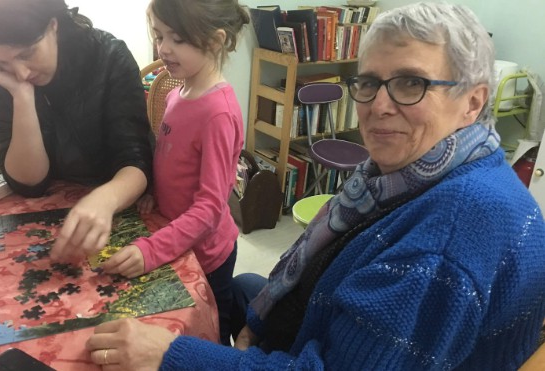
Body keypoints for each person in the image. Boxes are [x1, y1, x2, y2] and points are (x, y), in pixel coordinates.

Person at [85, 2, 545, 370]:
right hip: (324, 323)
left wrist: (170, 356)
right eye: (368, 82)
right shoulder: (411, 172)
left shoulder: (446, 242)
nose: (378, 105)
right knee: (250, 285)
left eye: (410, 83)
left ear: (473, 102)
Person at [99, 0, 249, 346]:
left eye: (176, 39)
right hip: (176, 239)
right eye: (159, 36)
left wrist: (151, 250)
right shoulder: (176, 91)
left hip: (209, 255)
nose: (163, 49)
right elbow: (170, 157)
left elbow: (210, 208)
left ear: (215, 41)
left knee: (210, 334)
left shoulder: (218, 113)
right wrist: (155, 191)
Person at [0, 0, 153, 258]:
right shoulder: (6, 77)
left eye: (27, 54)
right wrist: (21, 95)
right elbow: (29, 183)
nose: (21, 72)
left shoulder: (109, 56)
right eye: (1, 61)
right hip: (48, 218)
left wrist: (106, 199)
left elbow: (136, 159)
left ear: (53, 26)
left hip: (118, 205)